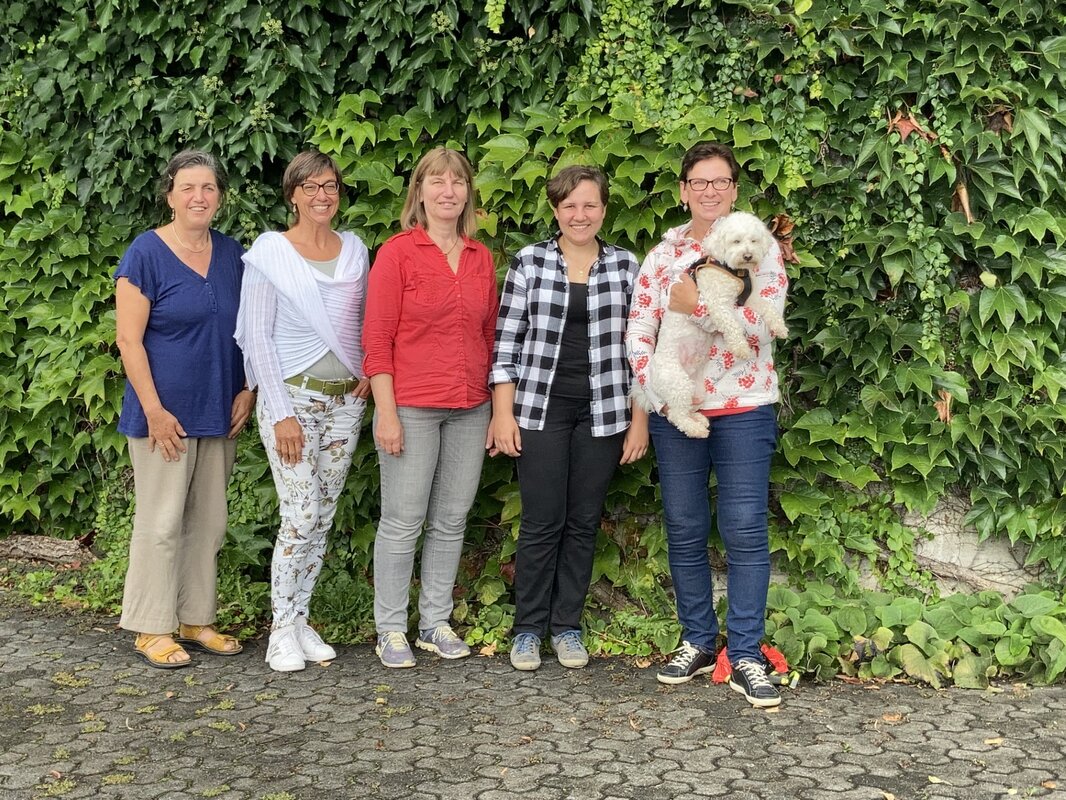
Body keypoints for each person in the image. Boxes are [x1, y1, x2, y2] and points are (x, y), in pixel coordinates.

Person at [625, 141, 788, 707]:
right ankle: (696, 639)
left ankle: (745, 652)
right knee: (685, 525)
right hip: (678, 410)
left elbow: (764, 328)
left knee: (744, 527)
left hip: (745, 406)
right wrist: (657, 395)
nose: (711, 191)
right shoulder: (662, 256)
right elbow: (640, 331)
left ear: (734, 189)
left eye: (721, 182)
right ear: (684, 191)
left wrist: (692, 304)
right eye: (700, 183)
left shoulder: (760, 251)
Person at [490, 165, 648, 671]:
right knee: (541, 522)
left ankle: (568, 627)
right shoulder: (530, 262)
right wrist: (502, 413)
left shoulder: (626, 265)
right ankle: (528, 630)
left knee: (582, 523)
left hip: (603, 413)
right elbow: (506, 343)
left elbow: (644, 348)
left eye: (590, 205)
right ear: (555, 209)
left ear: (604, 208)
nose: (580, 215)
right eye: (569, 205)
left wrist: (639, 419)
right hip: (540, 409)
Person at [114, 150, 254, 669]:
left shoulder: (233, 253)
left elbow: (248, 331)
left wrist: (249, 388)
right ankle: (151, 627)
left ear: (219, 197)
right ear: (170, 195)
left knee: (210, 522)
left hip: (220, 408)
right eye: (188, 187)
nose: (199, 197)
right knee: (162, 521)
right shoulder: (145, 254)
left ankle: (195, 619)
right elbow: (129, 340)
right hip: (164, 417)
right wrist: (153, 408)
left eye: (209, 188)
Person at [362, 147, 499, 668]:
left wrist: (493, 406)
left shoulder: (480, 257)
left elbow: (488, 333)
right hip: (412, 406)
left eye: (458, 182)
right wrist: (387, 412)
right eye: (437, 182)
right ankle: (391, 629)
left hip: (470, 405)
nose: (448, 191)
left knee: (451, 519)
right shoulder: (398, 253)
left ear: (468, 192)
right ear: (419, 192)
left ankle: (434, 623)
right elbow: (377, 337)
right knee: (402, 520)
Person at [235, 151, 371, 673]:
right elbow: (257, 337)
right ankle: (279, 629)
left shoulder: (355, 252)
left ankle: (301, 619)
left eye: (330, 186)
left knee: (326, 512)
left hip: (346, 403)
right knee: (301, 513)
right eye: (310, 187)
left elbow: (362, 322)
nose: (322, 196)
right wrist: (279, 412)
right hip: (292, 400)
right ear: (292, 195)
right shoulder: (270, 253)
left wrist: (367, 368)